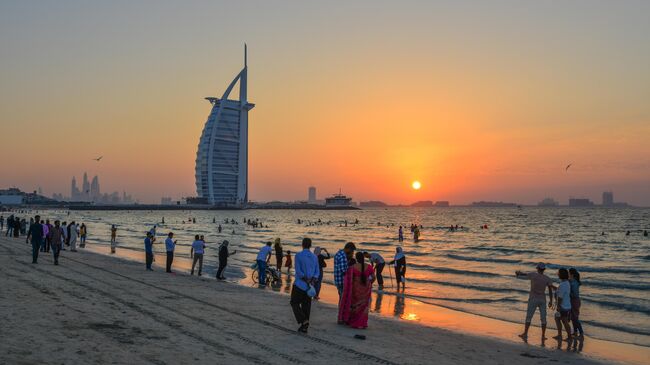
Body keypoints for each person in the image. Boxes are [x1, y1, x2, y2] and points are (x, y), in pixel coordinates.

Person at [515, 263, 555, 342]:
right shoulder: (547, 278)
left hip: (533, 299)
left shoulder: (533, 275)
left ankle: (525, 333)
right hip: (542, 300)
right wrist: (551, 301)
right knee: (543, 318)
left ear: (537, 268)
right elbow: (550, 291)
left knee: (529, 317)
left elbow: (523, 274)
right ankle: (543, 336)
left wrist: (518, 273)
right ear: (544, 270)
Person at [338, 251, 375, 328]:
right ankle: (362, 323)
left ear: (357, 258)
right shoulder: (369, 267)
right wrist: (369, 283)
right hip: (366, 289)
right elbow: (373, 277)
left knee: (355, 306)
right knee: (364, 306)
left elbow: (347, 278)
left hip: (355, 290)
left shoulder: (352, 268)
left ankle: (354, 322)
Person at [290, 237, 320, 333]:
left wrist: (306, 280)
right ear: (310, 245)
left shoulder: (298, 255)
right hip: (310, 285)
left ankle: (304, 321)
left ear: (302, 244)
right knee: (306, 305)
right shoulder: (314, 257)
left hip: (299, 284)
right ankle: (304, 326)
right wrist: (312, 281)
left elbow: (298, 271)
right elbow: (317, 272)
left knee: (294, 302)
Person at [554, 268, 573, 341]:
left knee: (564, 321)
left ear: (561, 275)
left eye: (558, 273)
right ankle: (560, 335)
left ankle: (569, 337)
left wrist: (558, 306)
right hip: (567, 305)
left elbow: (560, 297)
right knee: (558, 318)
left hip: (563, 306)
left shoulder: (562, 284)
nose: (557, 274)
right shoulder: (567, 283)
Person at [569, 268, 584, 338]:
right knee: (573, 317)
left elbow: (574, 294)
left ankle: (581, 333)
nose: (568, 275)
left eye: (569, 273)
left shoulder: (574, 283)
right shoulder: (573, 281)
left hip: (574, 301)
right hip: (574, 301)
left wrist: (568, 293)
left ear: (571, 274)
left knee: (575, 318)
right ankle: (575, 332)